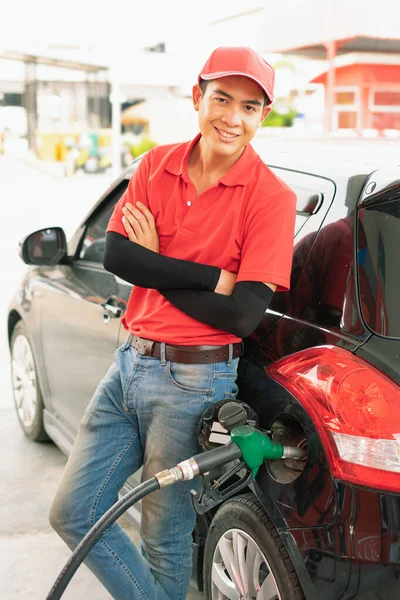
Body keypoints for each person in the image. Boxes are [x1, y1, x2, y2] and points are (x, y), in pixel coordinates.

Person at [49, 46, 297, 600]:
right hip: (129, 364)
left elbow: (242, 314)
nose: (233, 117)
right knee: (73, 512)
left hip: (195, 381)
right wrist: (210, 277)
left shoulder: (270, 199)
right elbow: (116, 257)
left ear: (262, 115)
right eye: (222, 98)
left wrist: (153, 263)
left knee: (163, 535)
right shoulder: (155, 165)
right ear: (197, 97)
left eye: (251, 106)